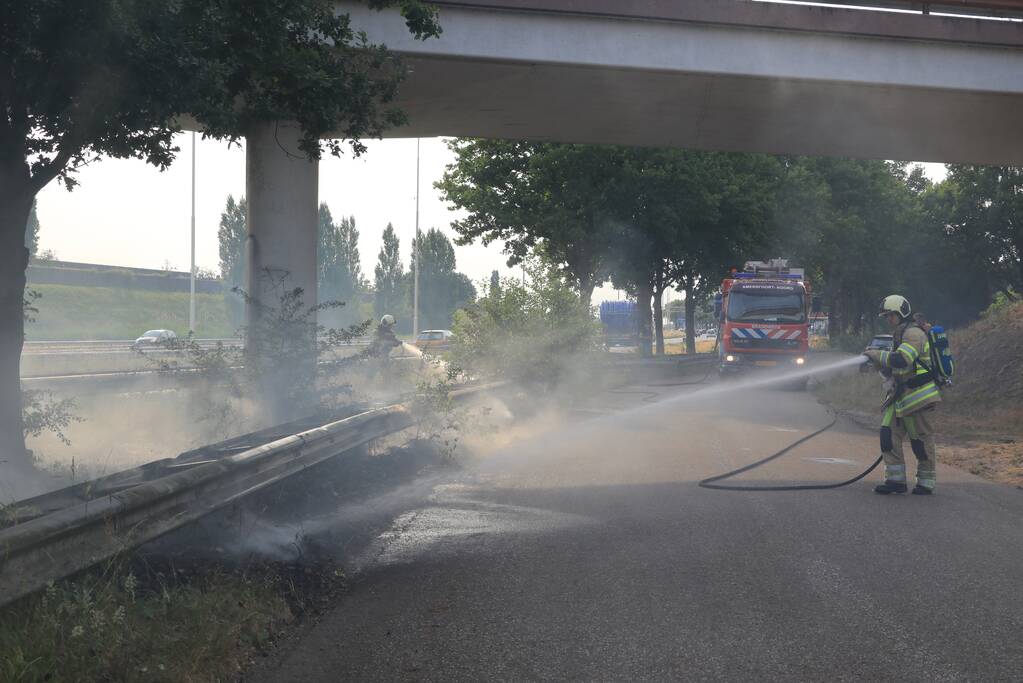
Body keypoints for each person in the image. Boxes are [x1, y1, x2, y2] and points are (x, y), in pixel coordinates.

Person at [862, 295, 941, 495]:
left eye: (891, 315)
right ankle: (895, 480)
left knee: (921, 441)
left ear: (901, 314)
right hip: (902, 398)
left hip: (920, 398)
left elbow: (902, 360)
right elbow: (894, 370)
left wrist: (875, 354)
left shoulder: (914, 333)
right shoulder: (901, 334)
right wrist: (880, 365)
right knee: (888, 435)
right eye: (886, 316)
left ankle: (926, 482)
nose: (888, 319)